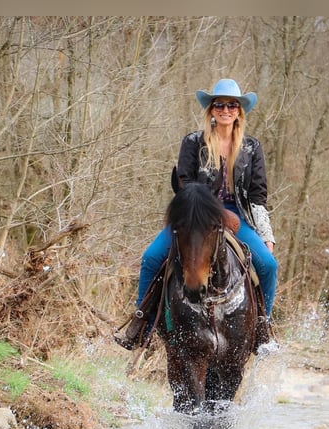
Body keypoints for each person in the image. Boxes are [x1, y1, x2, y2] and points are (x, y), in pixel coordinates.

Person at [115, 78, 278, 350]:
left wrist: (267, 236)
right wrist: (199, 211)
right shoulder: (193, 142)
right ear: (211, 110)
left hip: (237, 215)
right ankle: (141, 324)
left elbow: (258, 195)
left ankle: (263, 328)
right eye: (219, 105)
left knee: (269, 266)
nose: (225, 110)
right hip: (197, 214)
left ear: (239, 111)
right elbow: (185, 182)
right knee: (152, 257)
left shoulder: (252, 147)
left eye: (231, 105)